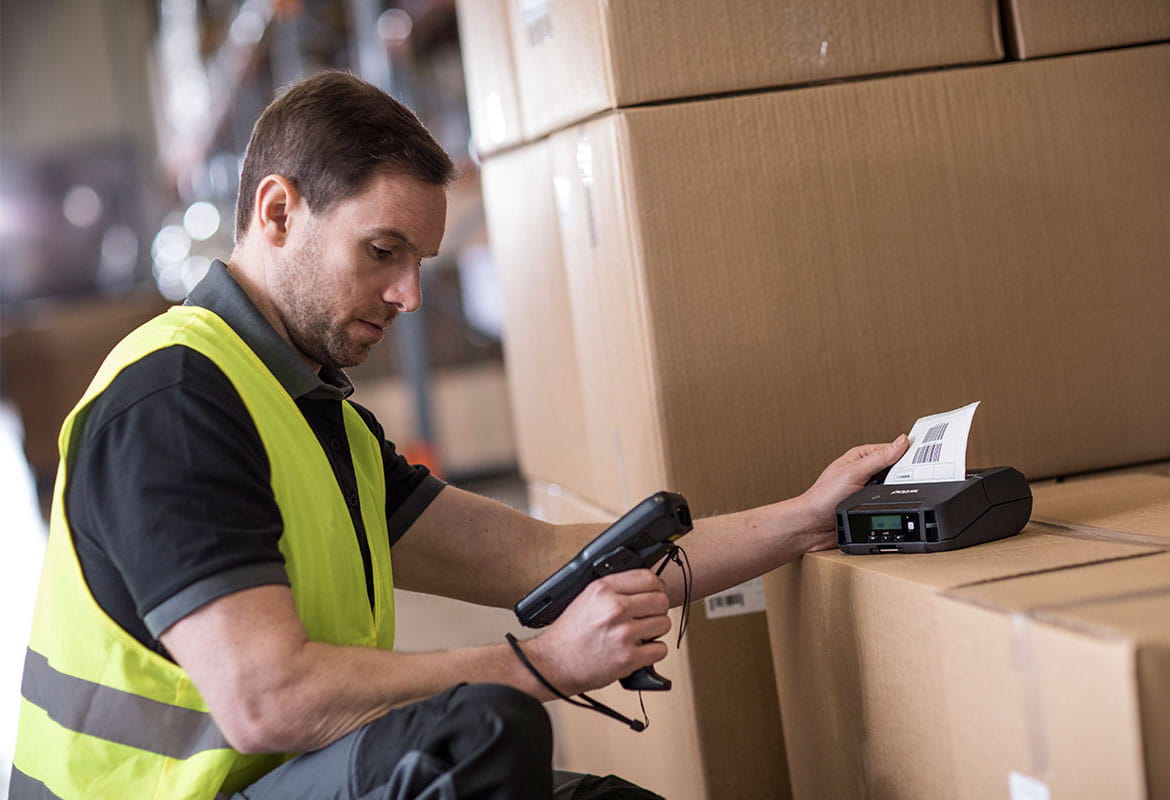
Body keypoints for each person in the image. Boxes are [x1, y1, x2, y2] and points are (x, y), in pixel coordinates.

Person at [9, 71, 909, 800]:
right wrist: (545, 664)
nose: (408, 294)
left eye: (419, 264)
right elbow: (267, 701)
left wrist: (810, 517)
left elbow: (552, 557)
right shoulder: (173, 401)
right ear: (279, 213)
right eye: (382, 251)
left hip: (292, 781)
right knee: (477, 737)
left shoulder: (314, 417)